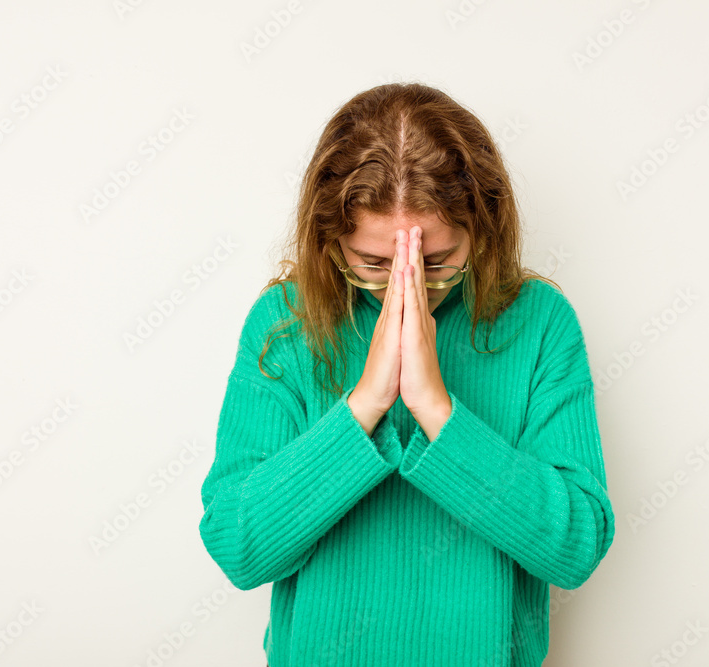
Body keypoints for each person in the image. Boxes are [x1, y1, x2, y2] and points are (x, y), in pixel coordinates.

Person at [198, 82, 615, 667]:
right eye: (374, 263)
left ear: (482, 229)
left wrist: (438, 412)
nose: (407, 283)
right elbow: (238, 549)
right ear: (331, 242)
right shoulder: (284, 322)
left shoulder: (541, 322)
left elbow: (576, 549)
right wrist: (364, 405)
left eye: (436, 260)